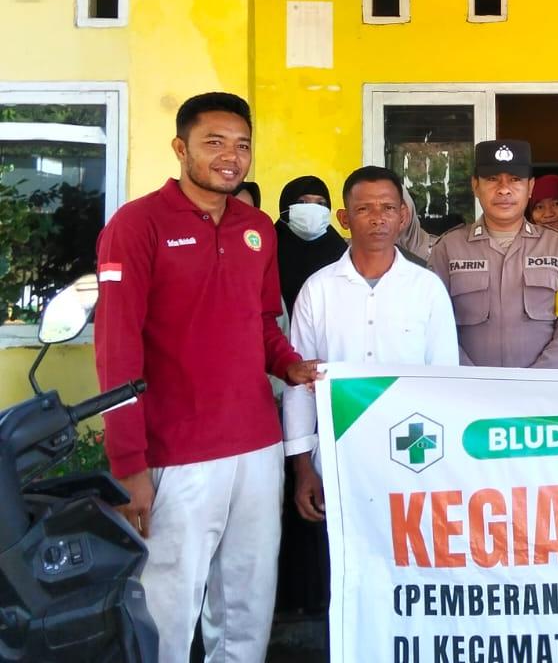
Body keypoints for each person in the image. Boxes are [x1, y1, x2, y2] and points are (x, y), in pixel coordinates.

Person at [93, 92, 319, 663]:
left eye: (242, 145)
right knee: (167, 609)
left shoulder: (256, 228)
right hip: (177, 452)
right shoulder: (136, 225)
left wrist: (287, 364)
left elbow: (261, 320)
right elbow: (116, 350)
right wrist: (128, 467)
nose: (230, 157)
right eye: (214, 142)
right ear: (180, 147)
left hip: (257, 446)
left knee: (247, 603)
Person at [284, 166, 458, 515]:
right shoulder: (318, 290)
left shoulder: (427, 289)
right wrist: (302, 467)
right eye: (364, 209)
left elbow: (444, 380)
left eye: (388, 208)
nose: (378, 218)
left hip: (412, 455)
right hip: (337, 456)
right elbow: (299, 384)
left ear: (403, 216)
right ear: (344, 218)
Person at [428, 140, 558, 368]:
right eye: (492, 179)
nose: (504, 189)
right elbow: (434, 325)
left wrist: (538, 378)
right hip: (467, 385)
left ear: (530, 187)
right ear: (475, 185)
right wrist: (470, 379)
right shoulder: (448, 248)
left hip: (541, 385)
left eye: (515, 179)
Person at [276, 175, 348, 317]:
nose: (312, 209)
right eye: (302, 202)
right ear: (285, 206)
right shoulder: (268, 247)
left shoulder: (339, 251)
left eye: (321, 204)